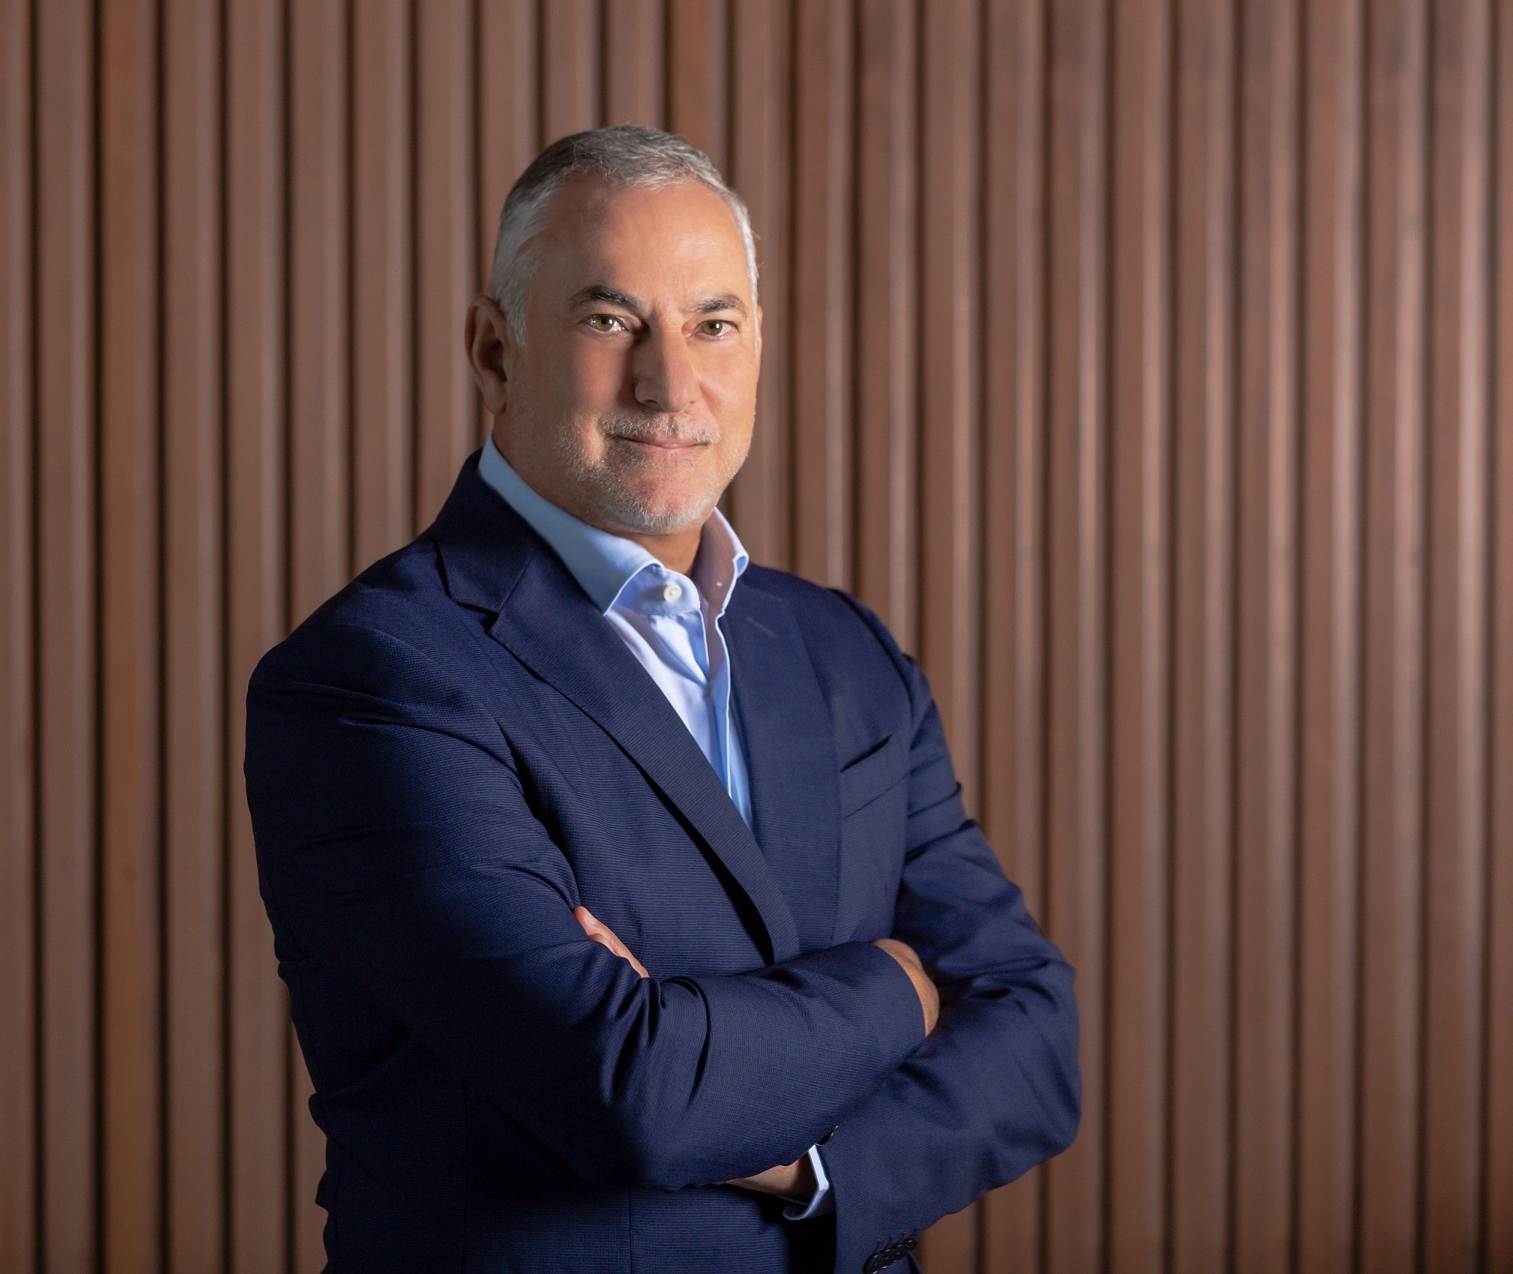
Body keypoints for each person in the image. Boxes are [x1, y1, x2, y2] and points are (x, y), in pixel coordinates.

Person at [244, 126, 1079, 1274]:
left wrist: (811, 1167)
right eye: (609, 319)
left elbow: (1035, 1035)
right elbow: (635, 1089)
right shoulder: (376, 677)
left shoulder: (843, 652)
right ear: (494, 349)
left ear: (758, 347)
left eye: (711, 324)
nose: (669, 384)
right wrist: (902, 986)